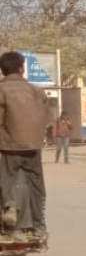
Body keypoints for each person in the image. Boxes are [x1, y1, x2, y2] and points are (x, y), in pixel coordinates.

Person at [0, 51, 50, 240]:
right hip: (34, 146)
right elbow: (48, 117)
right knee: (37, 187)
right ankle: (39, 226)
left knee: (6, 179)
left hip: (9, 146)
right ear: (21, 68)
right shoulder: (37, 90)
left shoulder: (1, 90)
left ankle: (9, 207)